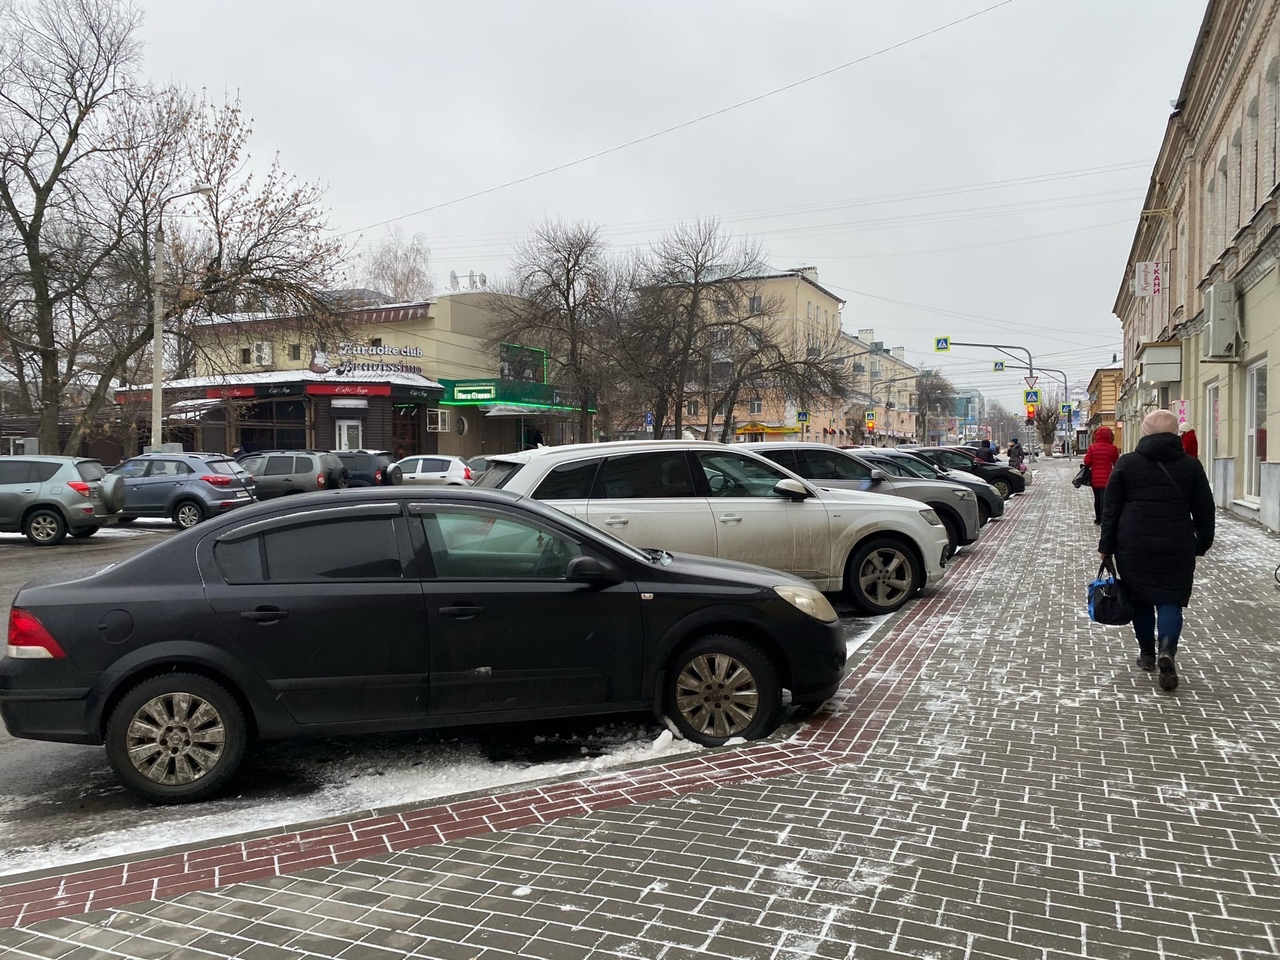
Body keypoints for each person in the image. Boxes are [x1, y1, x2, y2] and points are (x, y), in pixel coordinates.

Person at [1098, 409, 1215, 692]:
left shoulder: (1127, 463)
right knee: (1171, 600)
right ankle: (1167, 651)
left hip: (1133, 542)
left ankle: (1147, 655)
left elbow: (1110, 508)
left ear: (1145, 433)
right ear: (1176, 434)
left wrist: (1106, 547)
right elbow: (1205, 509)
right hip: (1177, 542)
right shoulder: (1190, 466)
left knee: (1140, 599)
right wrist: (1202, 542)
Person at [1082, 426, 1119, 525]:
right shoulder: (1113, 448)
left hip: (1095, 478)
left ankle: (1098, 519)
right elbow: (1116, 463)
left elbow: (1087, 461)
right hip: (1108, 477)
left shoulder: (1092, 448)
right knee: (1106, 499)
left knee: (1097, 498)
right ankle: (1104, 518)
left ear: (1096, 436)